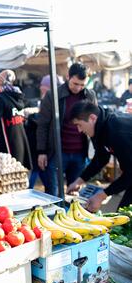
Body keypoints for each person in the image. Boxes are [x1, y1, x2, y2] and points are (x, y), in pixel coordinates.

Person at [37, 63, 97, 196]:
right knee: (54, 194)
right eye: (75, 83)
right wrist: (42, 151)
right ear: (67, 77)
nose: (78, 88)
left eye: (82, 85)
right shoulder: (53, 95)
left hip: (80, 154)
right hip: (57, 152)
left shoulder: (90, 96)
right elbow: (43, 124)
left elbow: (95, 123)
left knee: (74, 195)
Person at [67, 101, 132, 212]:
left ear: (92, 118)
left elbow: (130, 174)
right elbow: (101, 158)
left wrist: (102, 195)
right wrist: (79, 181)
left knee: (125, 216)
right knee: (124, 215)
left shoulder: (117, 132)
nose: (79, 130)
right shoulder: (98, 128)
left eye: (79, 125)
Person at [27, 74, 64, 190]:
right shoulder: (46, 98)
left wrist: (33, 116)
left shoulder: (55, 99)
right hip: (42, 145)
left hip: (49, 146)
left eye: (44, 86)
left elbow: (45, 123)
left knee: (47, 177)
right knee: (41, 172)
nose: (41, 88)